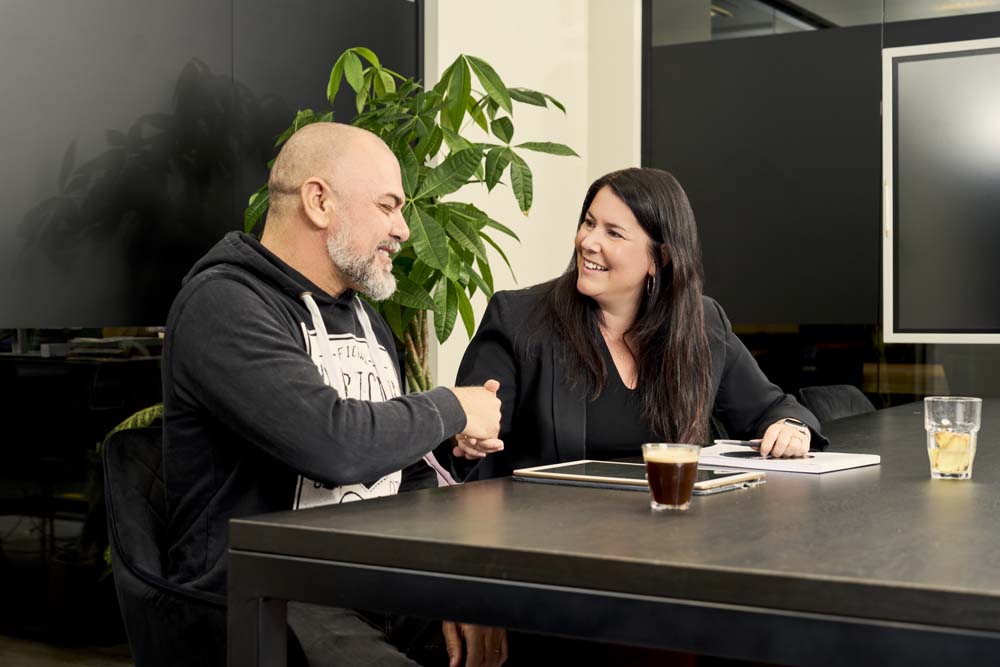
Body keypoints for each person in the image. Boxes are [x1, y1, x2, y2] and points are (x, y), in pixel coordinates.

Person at [162, 122, 506, 667]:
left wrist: (445, 452)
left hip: (366, 582)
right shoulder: (224, 305)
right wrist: (452, 406)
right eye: (388, 206)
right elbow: (333, 442)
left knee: (522, 633)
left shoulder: (366, 318)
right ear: (319, 201)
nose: (403, 230)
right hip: (264, 592)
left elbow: (394, 469)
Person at [452, 167, 828, 482]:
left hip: (674, 530)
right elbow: (467, 452)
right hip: (553, 535)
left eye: (613, 233)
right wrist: (467, 442)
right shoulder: (518, 319)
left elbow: (772, 408)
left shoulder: (701, 322)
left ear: (658, 258)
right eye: (589, 223)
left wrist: (790, 427)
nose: (588, 241)